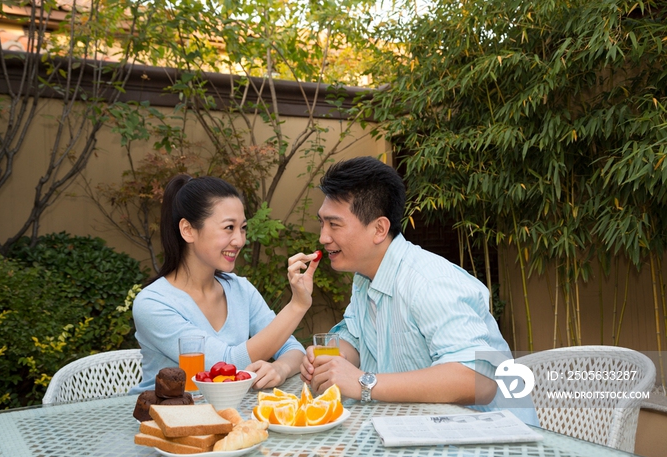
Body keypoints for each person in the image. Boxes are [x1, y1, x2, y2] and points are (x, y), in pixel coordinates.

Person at [300, 156, 538, 425]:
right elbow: (354, 339)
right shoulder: (365, 278)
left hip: (493, 444)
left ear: (379, 229)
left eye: (334, 224)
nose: (323, 237)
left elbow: (479, 382)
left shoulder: (429, 281)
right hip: (422, 431)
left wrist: (364, 382)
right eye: (322, 222)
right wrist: (329, 361)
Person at [130, 174, 319, 394]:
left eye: (243, 228)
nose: (239, 240)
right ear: (188, 230)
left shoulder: (240, 289)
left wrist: (280, 367)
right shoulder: (153, 303)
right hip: (161, 421)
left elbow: (292, 348)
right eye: (229, 227)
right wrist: (297, 305)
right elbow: (226, 365)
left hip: (229, 418)